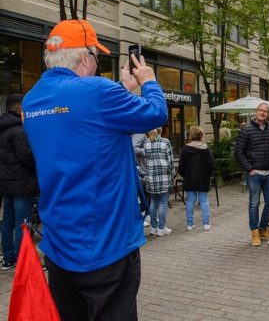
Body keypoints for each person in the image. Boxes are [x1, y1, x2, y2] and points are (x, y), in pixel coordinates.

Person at [22, 19, 167, 320]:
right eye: (97, 57)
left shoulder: (32, 99)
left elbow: (81, 119)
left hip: (60, 247)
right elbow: (156, 113)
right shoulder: (97, 91)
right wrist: (148, 81)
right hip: (107, 245)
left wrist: (121, 89)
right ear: (86, 58)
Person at [0, 94, 39, 271]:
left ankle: (8, 259)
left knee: (7, 221)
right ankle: (23, 264)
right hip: (22, 184)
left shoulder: (3, 128)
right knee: (22, 223)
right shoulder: (19, 130)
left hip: (6, 184)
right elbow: (27, 158)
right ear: (20, 109)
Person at [235, 102, 269, 246]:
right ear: (256, 112)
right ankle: (254, 231)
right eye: (260, 110)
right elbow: (239, 152)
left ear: (268, 114)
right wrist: (249, 169)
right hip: (254, 174)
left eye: (265, 111)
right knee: (254, 204)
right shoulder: (246, 129)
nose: (262, 113)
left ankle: (263, 228)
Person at [179, 125, 215, 231]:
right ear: (201, 135)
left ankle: (190, 224)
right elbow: (212, 165)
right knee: (204, 200)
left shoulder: (185, 149)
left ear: (191, 135)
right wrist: (208, 174)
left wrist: (186, 175)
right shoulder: (206, 149)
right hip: (203, 178)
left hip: (190, 178)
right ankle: (206, 224)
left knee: (190, 201)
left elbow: (181, 166)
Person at [144, 127, 175, 236]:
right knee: (162, 203)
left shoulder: (146, 143)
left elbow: (146, 160)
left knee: (153, 203)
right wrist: (172, 174)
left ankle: (153, 228)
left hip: (151, 177)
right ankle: (161, 228)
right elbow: (170, 161)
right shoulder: (166, 142)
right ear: (160, 131)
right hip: (164, 177)